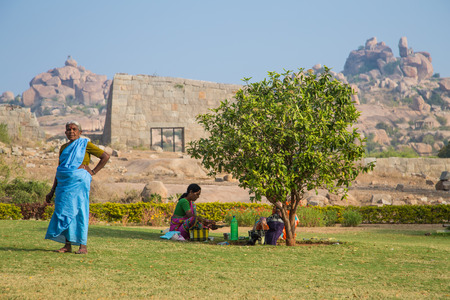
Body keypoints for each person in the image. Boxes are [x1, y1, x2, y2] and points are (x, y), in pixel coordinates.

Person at [45, 121, 110, 254]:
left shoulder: (85, 144)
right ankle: (67, 245)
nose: (71, 132)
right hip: (63, 185)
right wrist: (52, 191)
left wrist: (93, 171)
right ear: (65, 133)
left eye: (74, 129)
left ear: (80, 132)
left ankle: (83, 246)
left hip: (79, 184)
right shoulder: (63, 148)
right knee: (64, 212)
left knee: (80, 211)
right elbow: (60, 169)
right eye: (69, 130)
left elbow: (105, 156)